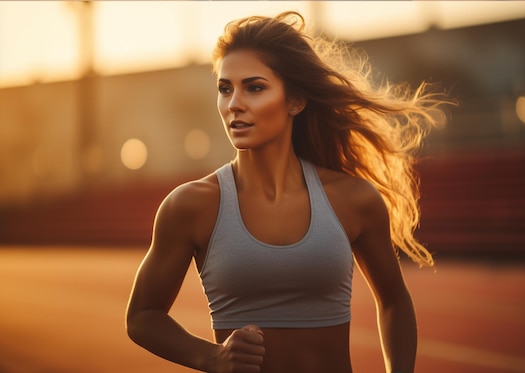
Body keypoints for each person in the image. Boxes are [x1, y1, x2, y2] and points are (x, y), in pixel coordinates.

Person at [126, 11, 448, 373]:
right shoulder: (191, 205)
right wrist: (210, 356)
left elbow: (394, 301)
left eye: (255, 87)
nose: (234, 104)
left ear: (295, 101)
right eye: (225, 88)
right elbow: (142, 316)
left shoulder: (353, 200)